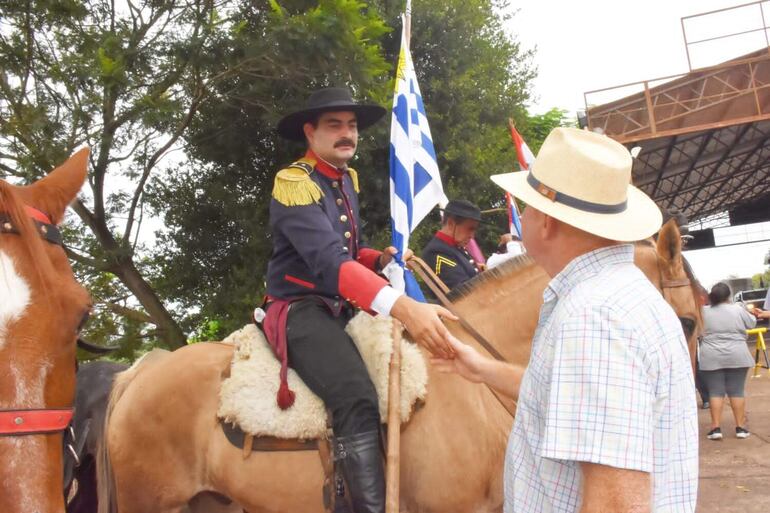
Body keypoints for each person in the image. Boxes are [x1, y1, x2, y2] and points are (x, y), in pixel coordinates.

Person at [432, 127, 698, 512]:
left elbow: (617, 504)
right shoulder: (616, 295)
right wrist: (482, 368)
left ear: (547, 222)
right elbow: (563, 397)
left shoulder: (595, 317)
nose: (521, 216)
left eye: (526, 205)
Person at [264, 87, 455, 513]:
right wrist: (403, 306)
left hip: (342, 305)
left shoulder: (344, 178)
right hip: (301, 308)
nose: (346, 133)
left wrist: (381, 256)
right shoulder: (293, 184)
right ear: (310, 133)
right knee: (355, 396)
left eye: (351, 126)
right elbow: (329, 263)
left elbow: (352, 252)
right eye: (334, 125)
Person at [699, 282, 757, 440]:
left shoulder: (703, 311)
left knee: (715, 392)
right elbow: (752, 323)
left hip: (710, 355)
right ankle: (740, 428)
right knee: (736, 391)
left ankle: (716, 428)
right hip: (737, 354)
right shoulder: (738, 309)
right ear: (728, 295)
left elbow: (697, 330)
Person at [421, 199, 482, 292]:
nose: (472, 236)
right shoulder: (436, 252)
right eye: (470, 229)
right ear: (451, 224)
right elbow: (463, 291)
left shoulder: (454, 248)